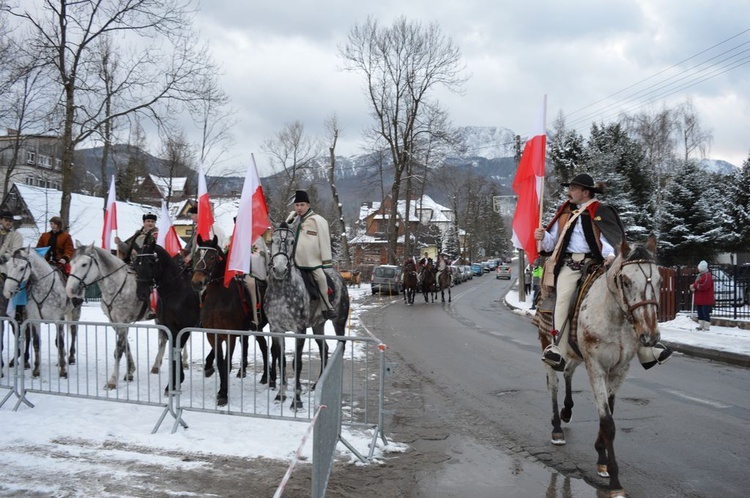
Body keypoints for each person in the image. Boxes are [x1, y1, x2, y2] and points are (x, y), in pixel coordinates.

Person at [534, 173, 672, 371]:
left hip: (599, 264)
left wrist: (610, 255)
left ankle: (647, 351)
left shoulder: (602, 211)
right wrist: (543, 235)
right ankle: (559, 350)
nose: (569, 192)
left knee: (626, 299)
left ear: (585, 192)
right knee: (563, 299)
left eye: (573, 189)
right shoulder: (565, 212)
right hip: (571, 265)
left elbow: (612, 240)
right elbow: (553, 242)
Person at [285, 190, 337, 320]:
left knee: (320, 278)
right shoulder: (293, 220)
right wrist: (289, 221)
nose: (299, 208)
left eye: (302, 205)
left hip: (312, 261)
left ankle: (327, 306)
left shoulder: (318, 220)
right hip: (292, 261)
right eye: (297, 205)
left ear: (308, 205)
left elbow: (324, 241)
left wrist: (326, 261)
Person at [0, 210, 25, 321]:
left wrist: (4, 257)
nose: (8, 223)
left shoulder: (16, 235)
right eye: (6, 220)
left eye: (10, 221)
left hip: (7, 267)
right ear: (1, 220)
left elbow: (16, 251)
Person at [690, 260, 715, 331]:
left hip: (705, 297)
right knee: (700, 311)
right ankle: (701, 325)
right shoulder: (700, 275)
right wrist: (694, 286)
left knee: (705, 312)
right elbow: (698, 283)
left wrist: (694, 286)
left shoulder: (707, 275)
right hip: (700, 297)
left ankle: (706, 326)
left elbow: (704, 285)